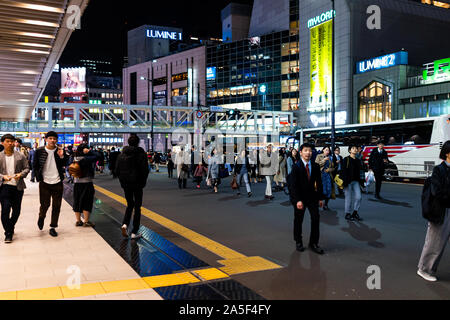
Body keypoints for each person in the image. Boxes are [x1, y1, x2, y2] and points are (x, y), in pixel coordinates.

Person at [417, 141, 450, 282]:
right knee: (435, 243)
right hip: (442, 211)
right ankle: (424, 269)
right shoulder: (439, 170)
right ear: (447, 153)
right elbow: (437, 192)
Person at [289, 143, 325, 254]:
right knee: (298, 220)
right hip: (300, 198)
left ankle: (313, 243)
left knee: (315, 218)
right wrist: (297, 200)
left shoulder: (315, 166)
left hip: (312, 198)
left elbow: (319, 183)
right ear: (301, 153)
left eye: (310, 151)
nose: (308, 153)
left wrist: (320, 198)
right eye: (305, 150)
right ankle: (298, 241)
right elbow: (292, 185)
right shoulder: (296, 166)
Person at [34, 131, 69, 237]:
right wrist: (38, 177)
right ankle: (41, 217)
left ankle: (53, 226)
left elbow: (65, 164)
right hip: (44, 182)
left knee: (57, 205)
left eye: (54, 139)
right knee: (45, 204)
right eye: (50, 138)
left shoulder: (60, 151)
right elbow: (35, 165)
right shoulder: (39, 151)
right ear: (46, 139)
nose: (52, 140)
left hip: (57, 181)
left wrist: (62, 156)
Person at [116, 135, 149, 239]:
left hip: (126, 184)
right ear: (138, 143)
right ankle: (134, 232)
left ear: (128, 142)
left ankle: (125, 224)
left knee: (130, 204)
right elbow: (145, 170)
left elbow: (117, 170)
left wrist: (122, 181)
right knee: (137, 207)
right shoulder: (141, 154)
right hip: (138, 184)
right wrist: (143, 182)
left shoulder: (122, 154)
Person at [0, 134, 30, 243]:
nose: (10, 143)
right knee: (5, 210)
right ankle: (8, 233)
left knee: (16, 211)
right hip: (4, 187)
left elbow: (27, 168)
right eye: (8, 141)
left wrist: (20, 175)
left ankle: (10, 227)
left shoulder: (20, 156)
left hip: (17, 187)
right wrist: (3, 176)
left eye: (12, 141)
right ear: (2, 143)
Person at [69, 144, 98, 227]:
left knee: (77, 201)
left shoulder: (73, 158)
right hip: (87, 183)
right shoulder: (86, 159)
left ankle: (78, 221)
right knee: (87, 201)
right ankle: (86, 221)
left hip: (76, 183)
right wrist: (90, 151)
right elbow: (98, 156)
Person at [340, 145, 364, 222]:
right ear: (350, 150)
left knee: (359, 197)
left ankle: (355, 212)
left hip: (356, 181)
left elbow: (361, 170)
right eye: (353, 148)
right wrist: (344, 182)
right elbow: (343, 171)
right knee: (348, 198)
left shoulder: (358, 160)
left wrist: (362, 182)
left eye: (356, 148)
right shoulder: (346, 159)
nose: (355, 149)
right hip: (348, 182)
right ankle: (347, 213)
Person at [315, 146, 335, 210]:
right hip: (320, 175)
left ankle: (326, 205)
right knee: (321, 190)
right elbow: (316, 165)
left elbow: (333, 167)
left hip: (328, 176)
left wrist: (330, 170)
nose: (327, 151)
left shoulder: (330, 157)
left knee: (329, 190)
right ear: (323, 150)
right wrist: (323, 160)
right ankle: (318, 202)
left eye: (328, 150)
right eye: (326, 150)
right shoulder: (319, 156)